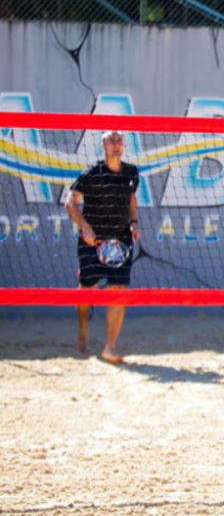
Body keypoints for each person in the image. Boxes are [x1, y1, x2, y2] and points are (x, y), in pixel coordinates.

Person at [65, 130, 141, 364]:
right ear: (103, 146)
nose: (116, 145)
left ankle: (109, 346)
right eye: (111, 141)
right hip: (93, 240)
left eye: (119, 141)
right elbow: (70, 203)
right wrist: (85, 227)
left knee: (118, 291)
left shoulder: (131, 173)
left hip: (120, 240)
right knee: (87, 288)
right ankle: (82, 327)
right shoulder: (92, 174)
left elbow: (130, 199)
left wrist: (135, 222)